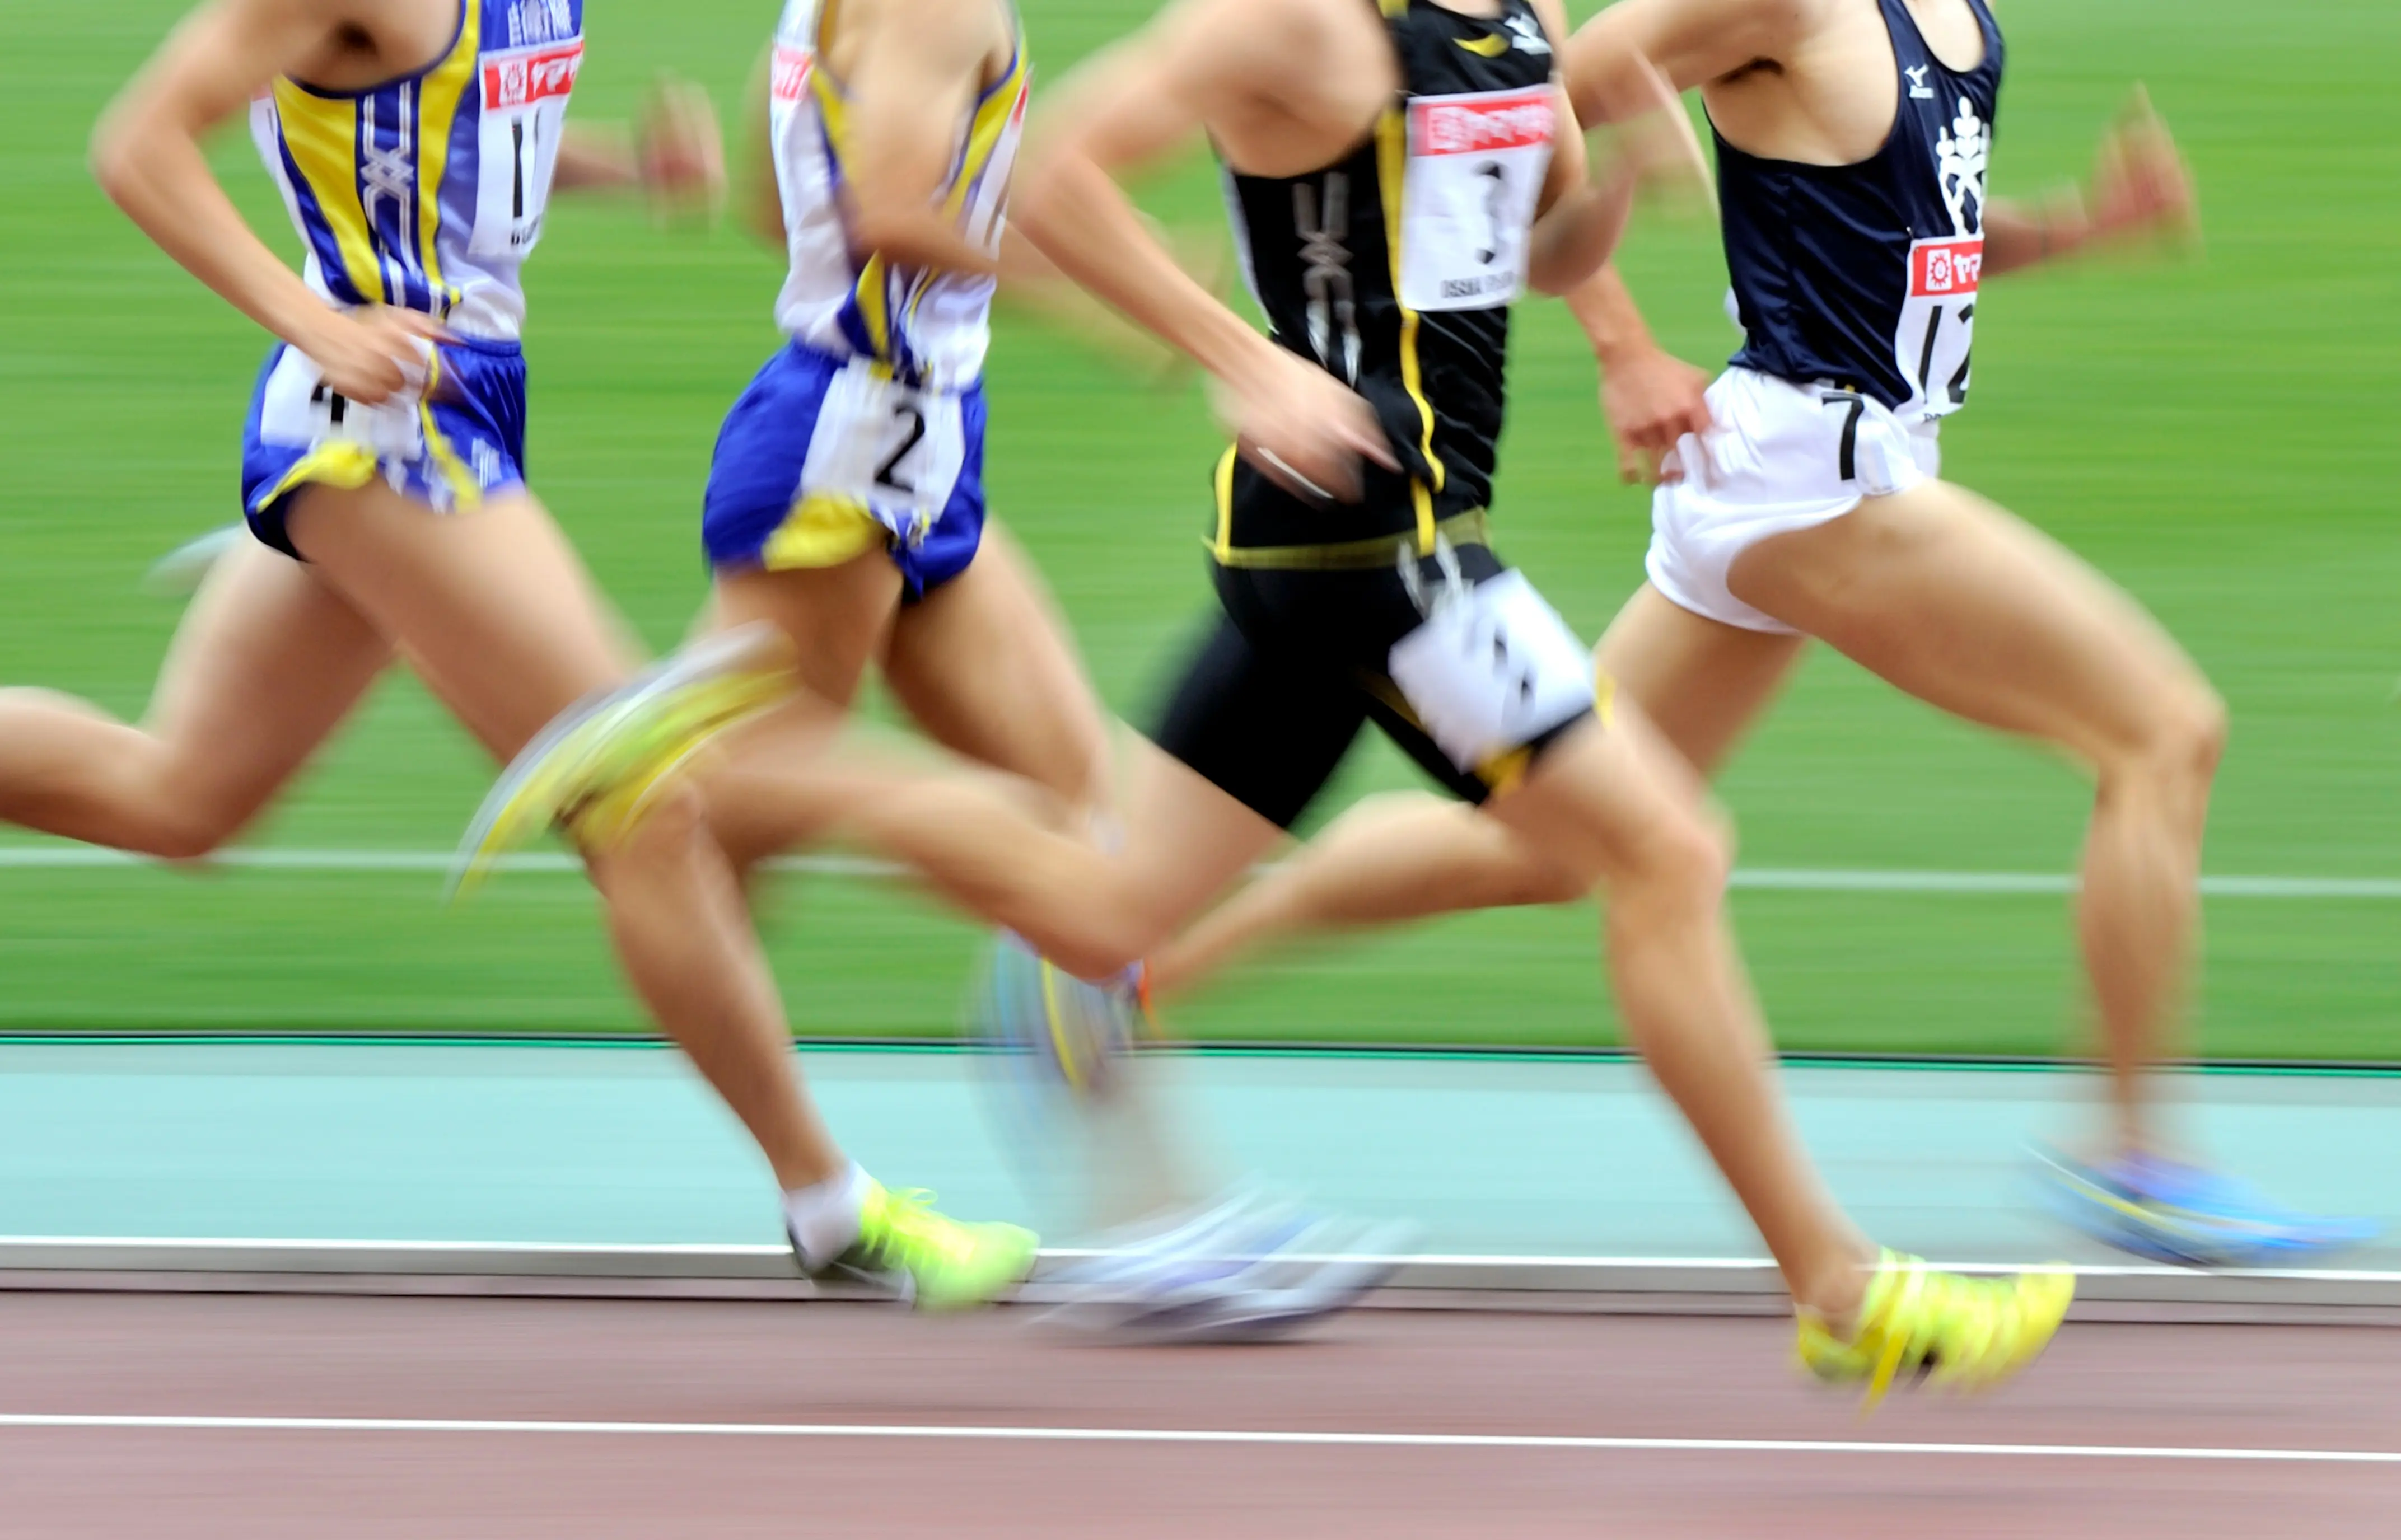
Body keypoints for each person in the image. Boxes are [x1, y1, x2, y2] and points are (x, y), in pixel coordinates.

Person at [491, 0, 2075, 1402]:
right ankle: (1841, 1292)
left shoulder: (1506, 20)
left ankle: (708, 774)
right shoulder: (1299, 21)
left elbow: (1522, 253)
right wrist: (1235, 357)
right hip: (1378, 549)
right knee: (1666, 851)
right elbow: (1055, 173)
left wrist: (1623, 196)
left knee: (1103, 912)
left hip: (1347, 546)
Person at [1128, 0, 2375, 1267]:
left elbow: (1911, 244)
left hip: (1791, 476)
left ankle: (1150, 974)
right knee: (2164, 730)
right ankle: (2136, 1155)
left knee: (1542, 846)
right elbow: (1534, 104)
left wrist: (2076, 226)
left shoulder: (1952, 20)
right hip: (1813, 477)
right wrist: (1620, 331)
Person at [5, 0, 1034, 1307]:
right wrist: (315, 321)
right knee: (644, 800)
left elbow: (457, 136)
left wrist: (617, 165)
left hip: (459, 401)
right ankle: (831, 1204)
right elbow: (137, 145)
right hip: (381, 428)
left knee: (177, 796)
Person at [660, 0, 1407, 1338]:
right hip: (844, 450)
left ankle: (1157, 1224)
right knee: (724, 814)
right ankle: (824, 1183)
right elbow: (888, 212)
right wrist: (1101, 278)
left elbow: (791, 212)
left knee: (1088, 845)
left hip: (920, 437)